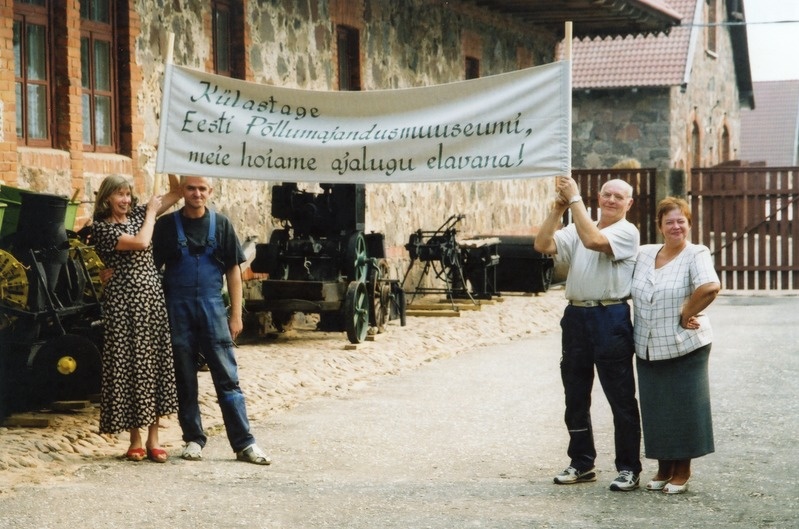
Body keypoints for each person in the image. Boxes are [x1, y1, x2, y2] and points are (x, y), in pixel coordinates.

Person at [152, 175, 271, 465]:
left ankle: (244, 444)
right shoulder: (166, 226)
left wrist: (235, 315)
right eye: (190, 188)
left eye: (202, 189)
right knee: (185, 378)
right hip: (176, 310)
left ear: (210, 192)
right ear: (183, 191)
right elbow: (150, 268)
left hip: (212, 309)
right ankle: (193, 439)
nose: (196, 193)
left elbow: (233, 271)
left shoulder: (222, 225)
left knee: (227, 378)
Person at [534, 176, 642, 491]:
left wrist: (575, 199)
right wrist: (558, 208)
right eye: (606, 194)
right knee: (575, 395)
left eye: (618, 197)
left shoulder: (627, 231)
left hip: (610, 315)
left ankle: (628, 468)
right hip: (577, 316)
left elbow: (595, 241)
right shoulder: (578, 227)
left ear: (628, 203)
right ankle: (581, 463)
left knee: (620, 397)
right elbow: (543, 245)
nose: (611, 200)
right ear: (598, 197)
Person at [631, 197, 720, 494]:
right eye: (669, 221)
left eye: (681, 221)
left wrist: (687, 312)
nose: (675, 226)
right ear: (659, 226)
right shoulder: (644, 254)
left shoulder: (696, 253)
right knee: (656, 409)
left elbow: (709, 286)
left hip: (685, 345)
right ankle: (663, 467)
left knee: (684, 408)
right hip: (647, 345)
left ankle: (683, 470)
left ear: (689, 224)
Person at [92, 173, 182, 463]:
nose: (126, 200)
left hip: (151, 298)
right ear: (107, 198)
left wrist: (168, 159)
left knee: (153, 363)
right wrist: (152, 215)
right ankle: (135, 439)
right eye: (120, 194)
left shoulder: (141, 213)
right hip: (123, 303)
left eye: (129, 194)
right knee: (130, 364)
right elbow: (142, 242)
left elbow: (177, 192)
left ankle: (155, 438)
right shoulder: (102, 228)